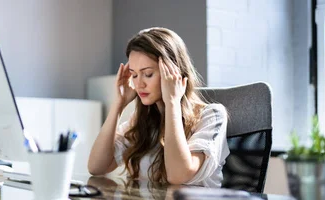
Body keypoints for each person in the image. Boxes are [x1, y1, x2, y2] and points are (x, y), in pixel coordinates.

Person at [87, 27, 229, 187]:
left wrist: (172, 103)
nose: (139, 84)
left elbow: (178, 175)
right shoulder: (142, 121)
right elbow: (96, 167)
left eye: (148, 74)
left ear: (174, 72)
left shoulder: (212, 116)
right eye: (134, 75)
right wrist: (118, 105)